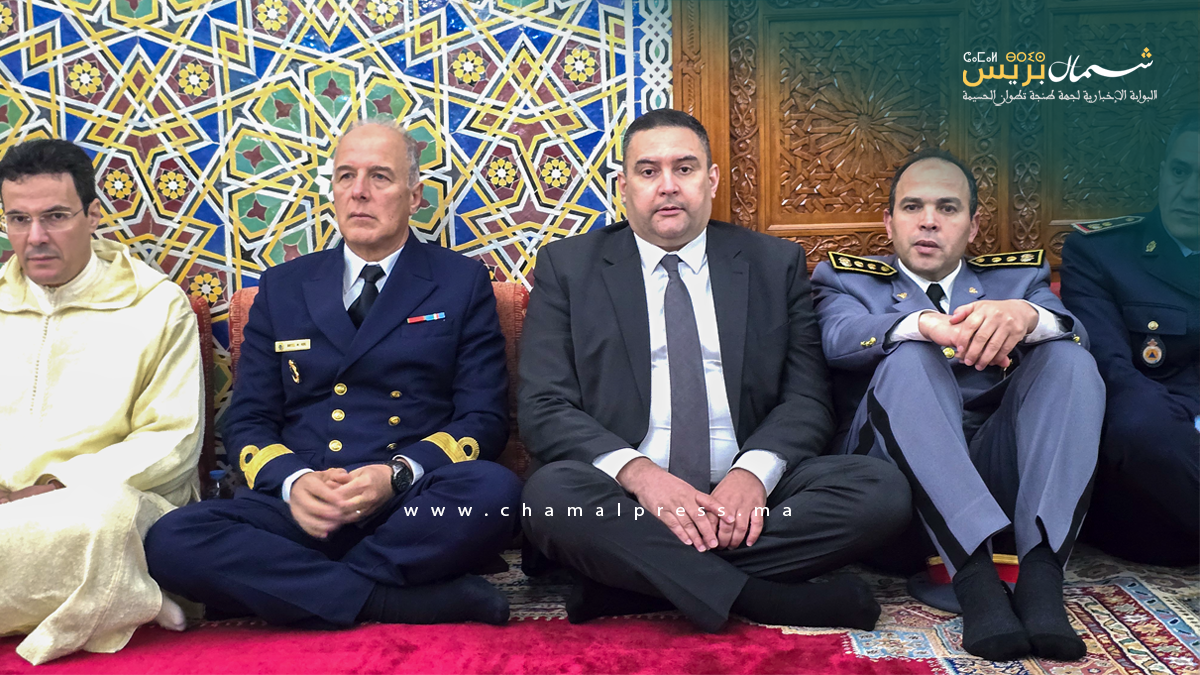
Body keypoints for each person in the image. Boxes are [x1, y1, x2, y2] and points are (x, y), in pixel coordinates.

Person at [518, 109, 911, 634]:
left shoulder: (773, 264)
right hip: (627, 499)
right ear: (624, 187)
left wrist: (751, 475)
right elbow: (544, 407)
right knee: (550, 497)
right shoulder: (568, 267)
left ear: (712, 179)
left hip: (751, 502)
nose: (667, 186)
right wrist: (644, 477)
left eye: (684, 168)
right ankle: (762, 597)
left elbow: (807, 399)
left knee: (880, 491)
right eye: (648, 171)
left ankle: (632, 580)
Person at [144, 120, 522, 628]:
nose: (359, 192)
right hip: (303, 507)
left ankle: (293, 588)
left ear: (415, 196)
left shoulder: (459, 282)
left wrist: (395, 475)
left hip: (407, 504)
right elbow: (249, 420)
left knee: (494, 493)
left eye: (379, 177)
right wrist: (295, 482)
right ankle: (392, 601)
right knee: (171, 539)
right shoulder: (283, 286)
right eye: (346, 176)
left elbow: (482, 420)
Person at [811, 148, 1102, 662]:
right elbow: (839, 336)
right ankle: (976, 582)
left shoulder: (1016, 281)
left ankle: (1041, 579)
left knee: (1070, 359)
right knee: (911, 357)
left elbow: (1076, 332)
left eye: (947, 208)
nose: (928, 221)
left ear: (973, 225)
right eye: (912, 207)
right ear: (889, 222)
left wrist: (1027, 317)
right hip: (894, 490)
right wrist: (921, 324)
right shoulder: (846, 278)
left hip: (992, 471)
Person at [0, 139, 203, 664]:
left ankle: (114, 591)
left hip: (100, 504)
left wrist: (52, 487)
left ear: (92, 215)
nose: (35, 238)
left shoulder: (156, 306)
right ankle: (121, 599)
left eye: (55, 217)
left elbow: (173, 441)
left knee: (104, 520)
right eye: (19, 219)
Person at [1061, 113, 1199, 566]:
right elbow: (1112, 370)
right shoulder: (1101, 251)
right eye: (1181, 171)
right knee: (1139, 424)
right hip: (1151, 453)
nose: (1191, 192)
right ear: (1163, 171)